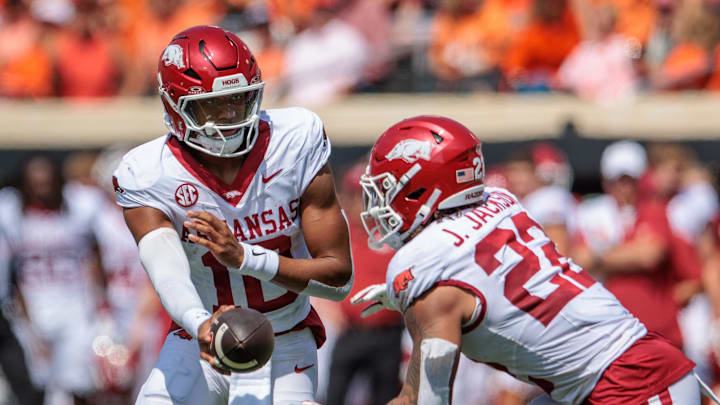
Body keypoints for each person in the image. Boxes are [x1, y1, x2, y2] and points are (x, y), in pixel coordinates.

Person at [351, 116, 701, 404]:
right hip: (624, 369)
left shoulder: (424, 267)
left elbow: (425, 400)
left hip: (632, 384)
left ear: (422, 189)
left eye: (387, 188)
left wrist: (413, 291)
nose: (380, 203)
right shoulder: (499, 200)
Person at [114, 25, 353, 404]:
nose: (229, 117)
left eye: (240, 100)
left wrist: (245, 257)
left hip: (285, 341)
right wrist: (201, 325)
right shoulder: (148, 171)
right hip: (198, 337)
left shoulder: (295, 139)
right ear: (175, 105)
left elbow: (338, 280)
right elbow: (166, 270)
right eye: (212, 106)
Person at [0, 155, 105, 405]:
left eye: (47, 183)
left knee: (79, 381)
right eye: (35, 183)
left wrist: (100, 299)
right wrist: (25, 320)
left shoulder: (79, 207)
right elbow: (13, 274)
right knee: (39, 382)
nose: (42, 189)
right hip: (34, 305)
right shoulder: (11, 213)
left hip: (74, 303)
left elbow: (94, 255)